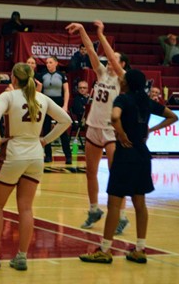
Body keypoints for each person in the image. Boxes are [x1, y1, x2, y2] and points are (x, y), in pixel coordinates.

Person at [0, 62, 71, 271]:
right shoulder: (42, 98)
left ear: (13, 78)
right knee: (26, 208)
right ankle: (22, 256)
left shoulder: (8, 96)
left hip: (14, 151)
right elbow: (66, 120)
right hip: (36, 154)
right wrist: (45, 140)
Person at [79, 69, 178, 264]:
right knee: (140, 203)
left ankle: (105, 250)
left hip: (125, 153)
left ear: (128, 83)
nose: (121, 80)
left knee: (114, 204)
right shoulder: (147, 102)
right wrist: (150, 129)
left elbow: (115, 117)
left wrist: (121, 133)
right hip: (143, 154)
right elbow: (172, 116)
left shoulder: (122, 99)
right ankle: (140, 249)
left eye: (123, 79)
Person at [65, 21, 130, 233]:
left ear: (122, 65)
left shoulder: (123, 80)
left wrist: (101, 33)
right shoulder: (102, 73)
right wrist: (84, 31)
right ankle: (94, 209)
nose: (110, 61)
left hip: (112, 131)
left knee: (116, 173)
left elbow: (109, 56)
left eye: (115, 60)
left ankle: (121, 215)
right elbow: (92, 51)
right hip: (93, 127)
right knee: (90, 172)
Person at [38, 56, 71, 164]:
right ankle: (48, 156)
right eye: (47, 62)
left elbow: (66, 91)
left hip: (59, 104)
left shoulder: (61, 75)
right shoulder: (42, 75)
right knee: (46, 129)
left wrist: (65, 105)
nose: (48, 64)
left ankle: (68, 156)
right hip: (46, 104)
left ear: (56, 63)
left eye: (50, 62)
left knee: (62, 131)